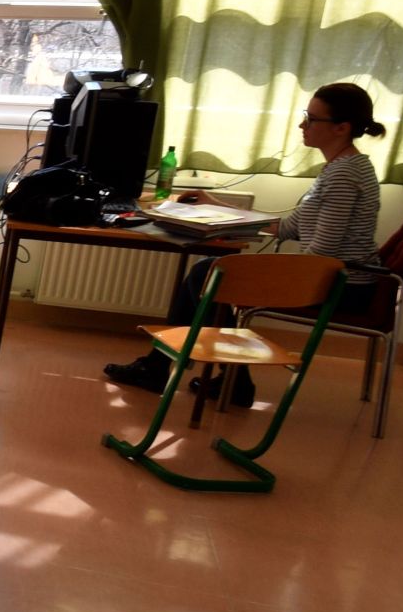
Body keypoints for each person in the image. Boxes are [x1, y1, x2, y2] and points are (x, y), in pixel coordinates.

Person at [103, 81, 386, 406]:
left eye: (311, 118)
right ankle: (223, 379)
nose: (302, 125)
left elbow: (321, 254)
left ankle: (168, 369)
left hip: (342, 287)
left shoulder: (344, 175)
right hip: (335, 277)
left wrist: (262, 272)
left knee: (212, 274)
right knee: (210, 273)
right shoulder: (341, 168)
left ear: (341, 128)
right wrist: (217, 205)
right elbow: (288, 227)